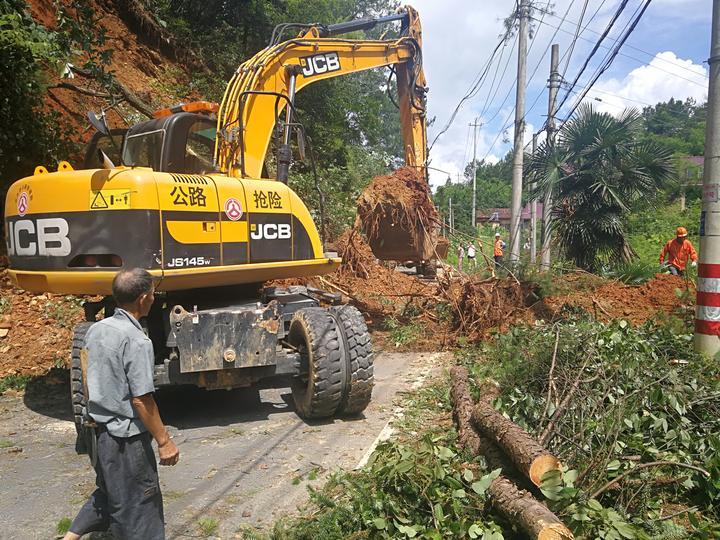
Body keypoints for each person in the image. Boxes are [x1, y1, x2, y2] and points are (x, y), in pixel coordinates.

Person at [65, 268, 180, 540]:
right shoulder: (137, 340)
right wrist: (164, 441)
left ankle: (68, 537)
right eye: (152, 293)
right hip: (126, 440)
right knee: (141, 506)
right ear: (143, 299)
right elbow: (141, 399)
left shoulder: (97, 330)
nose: (154, 298)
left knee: (111, 492)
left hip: (98, 432)